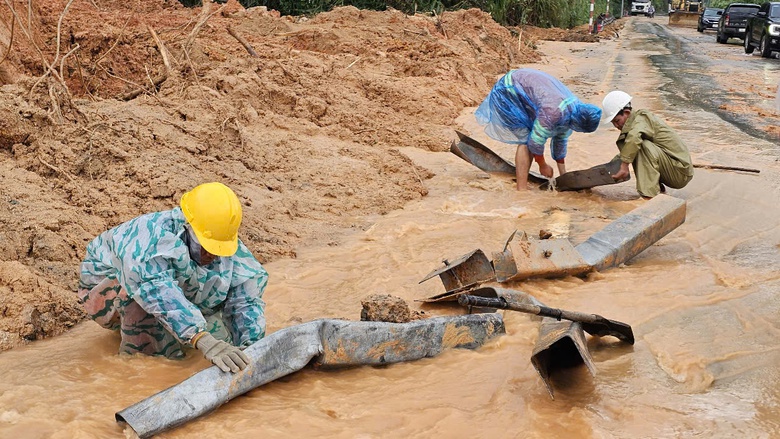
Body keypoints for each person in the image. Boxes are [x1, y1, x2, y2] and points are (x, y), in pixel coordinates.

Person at [77, 182, 268, 373]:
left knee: (221, 337)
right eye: (206, 247)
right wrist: (201, 338)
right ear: (187, 225)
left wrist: (252, 345)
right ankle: (145, 364)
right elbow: (155, 290)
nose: (213, 254)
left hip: (169, 288)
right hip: (111, 294)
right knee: (139, 298)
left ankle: (184, 335)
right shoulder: (150, 236)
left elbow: (245, 297)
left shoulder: (222, 240)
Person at [474, 68, 603, 190]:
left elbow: (560, 140)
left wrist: (564, 175)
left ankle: (522, 182)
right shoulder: (554, 112)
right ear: (579, 123)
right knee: (526, 139)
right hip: (510, 89)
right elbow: (535, 142)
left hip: (527, 89)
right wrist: (543, 165)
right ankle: (521, 190)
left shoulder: (574, 110)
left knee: (532, 134)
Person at [602, 91, 694, 198]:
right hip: (673, 168)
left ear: (627, 113)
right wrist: (608, 169)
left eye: (617, 121)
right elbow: (627, 152)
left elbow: (634, 139)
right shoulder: (635, 125)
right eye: (613, 123)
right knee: (633, 150)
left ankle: (648, 197)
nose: (616, 125)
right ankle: (657, 190)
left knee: (641, 146)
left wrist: (624, 165)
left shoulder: (641, 119)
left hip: (680, 171)